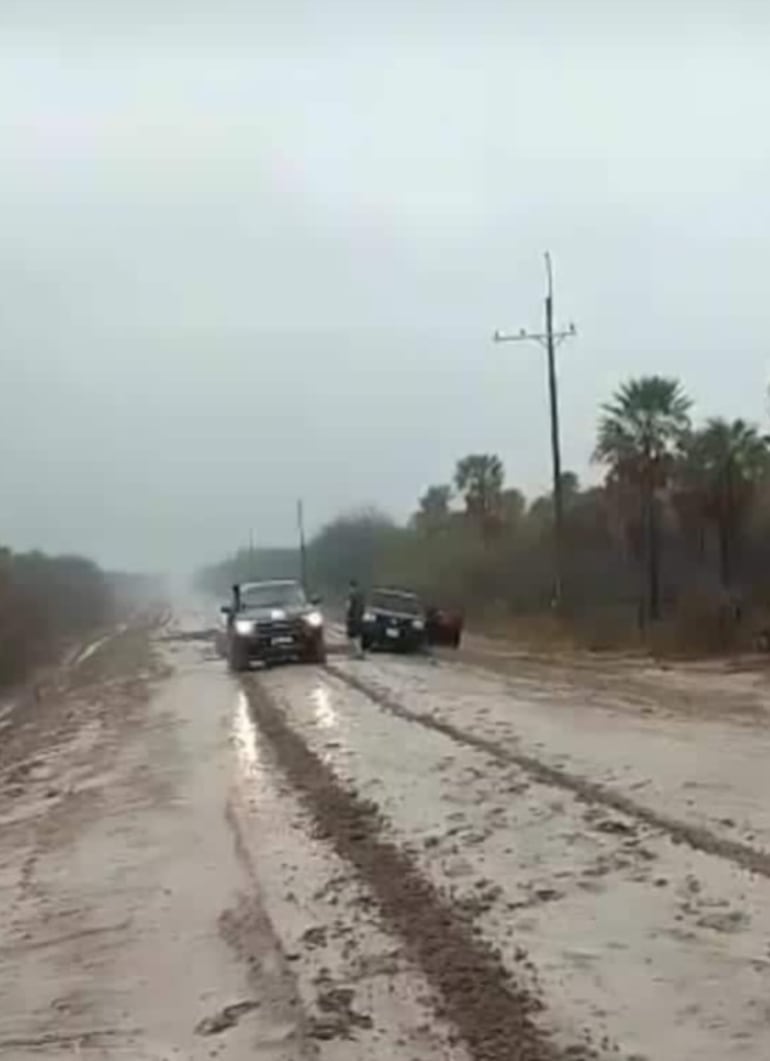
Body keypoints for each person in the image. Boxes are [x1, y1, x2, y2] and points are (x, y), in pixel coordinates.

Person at [345, 579, 365, 658]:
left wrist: (347, 616)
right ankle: (359, 651)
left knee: (352, 636)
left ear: (351, 587)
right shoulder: (361, 596)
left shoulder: (351, 595)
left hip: (352, 618)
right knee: (358, 635)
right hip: (359, 618)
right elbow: (363, 607)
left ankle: (356, 653)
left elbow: (348, 606)